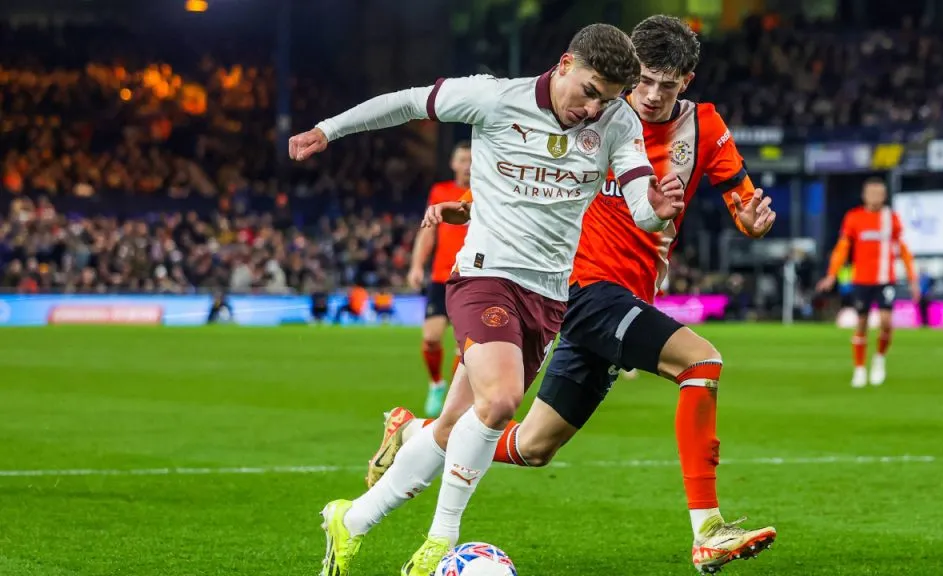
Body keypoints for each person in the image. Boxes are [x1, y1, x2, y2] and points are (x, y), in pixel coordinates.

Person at [378, 15, 778, 573]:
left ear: (687, 81)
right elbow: (524, 179)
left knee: (535, 446)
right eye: (645, 80)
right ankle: (708, 528)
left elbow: (742, 200)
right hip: (580, 286)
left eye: (669, 84)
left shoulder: (704, 129)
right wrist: (468, 204)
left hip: (627, 297)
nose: (653, 95)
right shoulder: (595, 118)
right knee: (702, 363)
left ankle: (422, 433)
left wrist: (753, 221)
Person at [289, 23, 685, 576]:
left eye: (608, 99)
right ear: (566, 63)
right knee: (501, 402)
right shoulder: (495, 98)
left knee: (453, 427)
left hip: (548, 298)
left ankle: (350, 522)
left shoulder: (617, 121)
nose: (593, 109)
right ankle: (438, 543)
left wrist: (656, 207)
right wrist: (328, 130)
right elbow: (406, 104)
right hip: (485, 276)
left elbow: (641, 204)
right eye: (589, 91)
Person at [816, 177, 919, 387]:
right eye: (872, 193)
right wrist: (832, 274)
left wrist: (912, 278)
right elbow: (842, 248)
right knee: (861, 324)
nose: (875, 197)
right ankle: (860, 368)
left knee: (886, 322)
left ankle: (879, 359)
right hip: (862, 279)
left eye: (879, 193)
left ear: (884, 196)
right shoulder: (854, 218)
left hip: (885, 279)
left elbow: (904, 250)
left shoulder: (891, 218)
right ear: (864, 195)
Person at [407, 142, 472, 417]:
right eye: (462, 160)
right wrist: (416, 265)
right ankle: (436, 383)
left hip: (470, 277)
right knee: (431, 338)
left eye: (472, 160)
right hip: (441, 277)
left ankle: (456, 400)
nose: (467, 165)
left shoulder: (485, 191)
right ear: (453, 163)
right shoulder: (441, 192)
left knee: (464, 346)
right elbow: (428, 231)